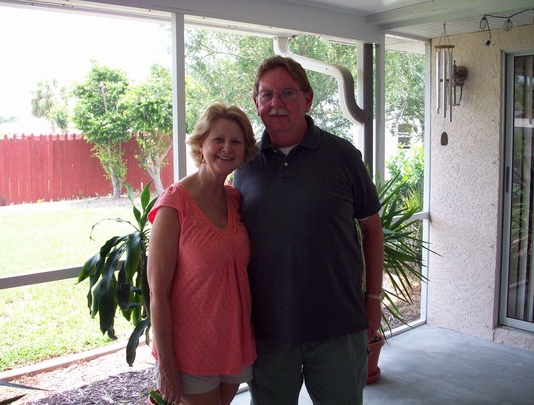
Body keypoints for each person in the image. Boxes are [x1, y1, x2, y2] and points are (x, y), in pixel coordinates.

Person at [233, 56, 384, 405]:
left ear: (308, 98)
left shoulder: (343, 156)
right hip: (269, 332)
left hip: (338, 326)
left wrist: (373, 299)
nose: (277, 103)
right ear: (256, 103)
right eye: (267, 94)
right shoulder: (245, 164)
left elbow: (372, 229)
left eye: (287, 93)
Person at [147, 101, 258, 405]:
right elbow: (157, 294)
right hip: (189, 352)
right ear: (201, 145)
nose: (227, 148)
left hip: (232, 344)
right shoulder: (174, 204)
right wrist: (166, 365)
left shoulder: (234, 199)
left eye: (236, 141)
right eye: (218, 140)